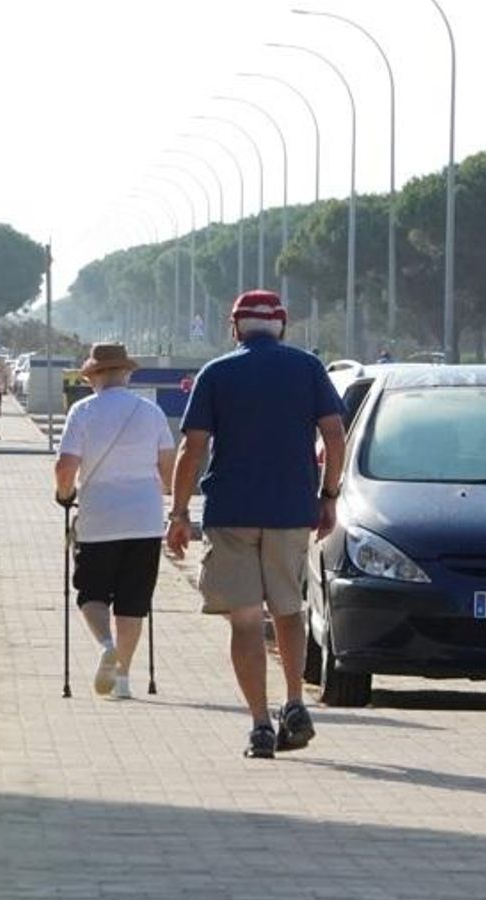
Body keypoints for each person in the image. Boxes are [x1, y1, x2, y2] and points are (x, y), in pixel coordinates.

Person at [166, 290, 346, 758]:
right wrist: (328, 495)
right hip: (291, 512)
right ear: (282, 327)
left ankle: (261, 725)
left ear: (234, 329)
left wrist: (180, 512)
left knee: (245, 622)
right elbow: (334, 433)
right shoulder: (308, 368)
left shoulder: (217, 373)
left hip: (232, 513)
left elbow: (193, 448)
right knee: (289, 610)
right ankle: (293, 702)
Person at [54, 343, 174, 699]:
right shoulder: (151, 413)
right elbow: (168, 464)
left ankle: (106, 644)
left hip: (99, 517)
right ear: (127, 373)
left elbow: (65, 467)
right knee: (133, 601)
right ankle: (122, 677)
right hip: (146, 519)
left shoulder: (83, 411)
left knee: (91, 593)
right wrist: (165, 494)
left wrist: (64, 495)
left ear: (93, 376)